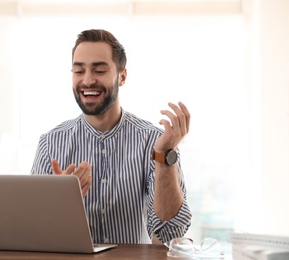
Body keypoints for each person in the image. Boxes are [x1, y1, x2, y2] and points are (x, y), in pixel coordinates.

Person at [31, 29, 192, 244]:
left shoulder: (152, 141)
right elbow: (34, 233)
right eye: (79, 71)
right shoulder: (49, 144)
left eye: (99, 70)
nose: (87, 80)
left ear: (122, 76)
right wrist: (60, 202)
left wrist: (164, 157)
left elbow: (170, 234)